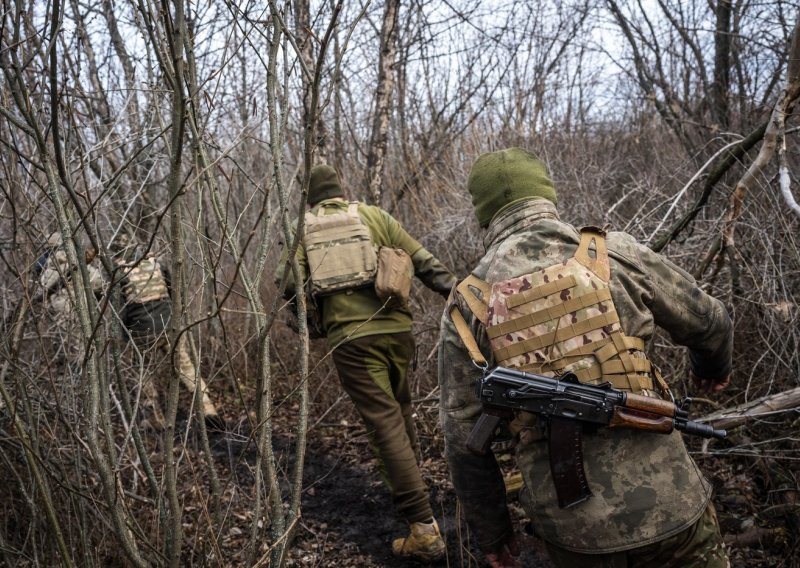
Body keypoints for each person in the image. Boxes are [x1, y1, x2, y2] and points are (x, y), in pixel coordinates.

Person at [439, 148, 733, 568]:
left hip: (574, 535)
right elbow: (713, 322)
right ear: (548, 194)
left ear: (483, 214)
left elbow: (462, 438)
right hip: (673, 508)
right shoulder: (613, 253)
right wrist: (710, 369)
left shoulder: (467, 302)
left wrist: (494, 533)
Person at [276, 164, 457, 562]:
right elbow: (425, 262)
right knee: (401, 410)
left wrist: (308, 319)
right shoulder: (373, 215)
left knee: (384, 422)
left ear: (309, 198)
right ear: (341, 190)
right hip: (397, 332)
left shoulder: (301, 227)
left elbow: (289, 284)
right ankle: (417, 496)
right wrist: (463, 299)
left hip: (352, 340)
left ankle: (423, 528)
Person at [111, 234, 225, 432]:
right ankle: (208, 409)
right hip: (169, 325)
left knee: (144, 375)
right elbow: (174, 290)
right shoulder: (155, 263)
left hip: (142, 331)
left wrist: (123, 336)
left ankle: (156, 419)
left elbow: (119, 309)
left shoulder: (120, 271)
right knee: (187, 369)